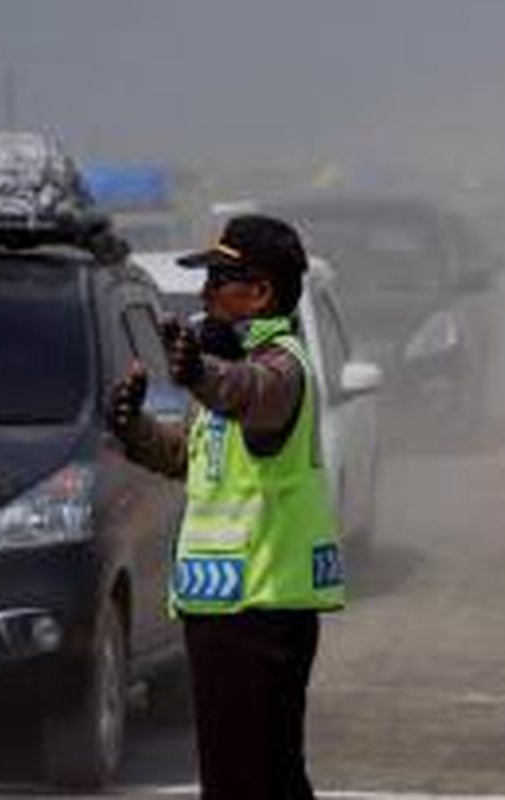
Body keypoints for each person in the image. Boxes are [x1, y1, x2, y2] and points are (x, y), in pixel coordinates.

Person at [108, 214, 344, 799]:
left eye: (220, 280)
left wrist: (198, 372)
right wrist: (132, 427)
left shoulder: (282, 367)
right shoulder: (226, 378)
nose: (206, 294)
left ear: (260, 292)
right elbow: (188, 457)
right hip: (222, 607)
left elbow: (251, 396)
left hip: (261, 610)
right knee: (251, 778)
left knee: (253, 778)